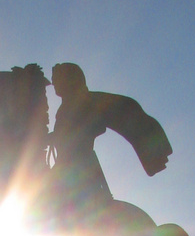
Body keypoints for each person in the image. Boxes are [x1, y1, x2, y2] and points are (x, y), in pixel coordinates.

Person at [48, 62, 173, 224]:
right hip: (67, 165)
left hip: (77, 166)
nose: (54, 84)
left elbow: (93, 126)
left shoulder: (80, 102)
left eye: (57, 79)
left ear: (69, 79)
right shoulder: (66, 107)